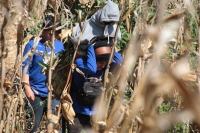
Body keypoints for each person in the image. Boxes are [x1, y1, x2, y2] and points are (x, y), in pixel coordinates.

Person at [62, 39, 123, 133]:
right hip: (77, 111)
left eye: (105, 63)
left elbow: (120, 62)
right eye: (100, 62)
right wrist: (91, 46)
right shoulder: (80, 62)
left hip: (95, 113)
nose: (103, 66)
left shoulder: (103, 69)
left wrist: (109, 48)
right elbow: (92, 69)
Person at [22, 16, 64, 133]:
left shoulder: (60, 46)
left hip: (54, 93)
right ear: (43, 31)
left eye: (56, 34)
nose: (54, 37)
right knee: (33, 126)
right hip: (35, 92)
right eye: (51, 34)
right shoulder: (32, 45)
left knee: (55, 128)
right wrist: (27, 88)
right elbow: (25, 67)